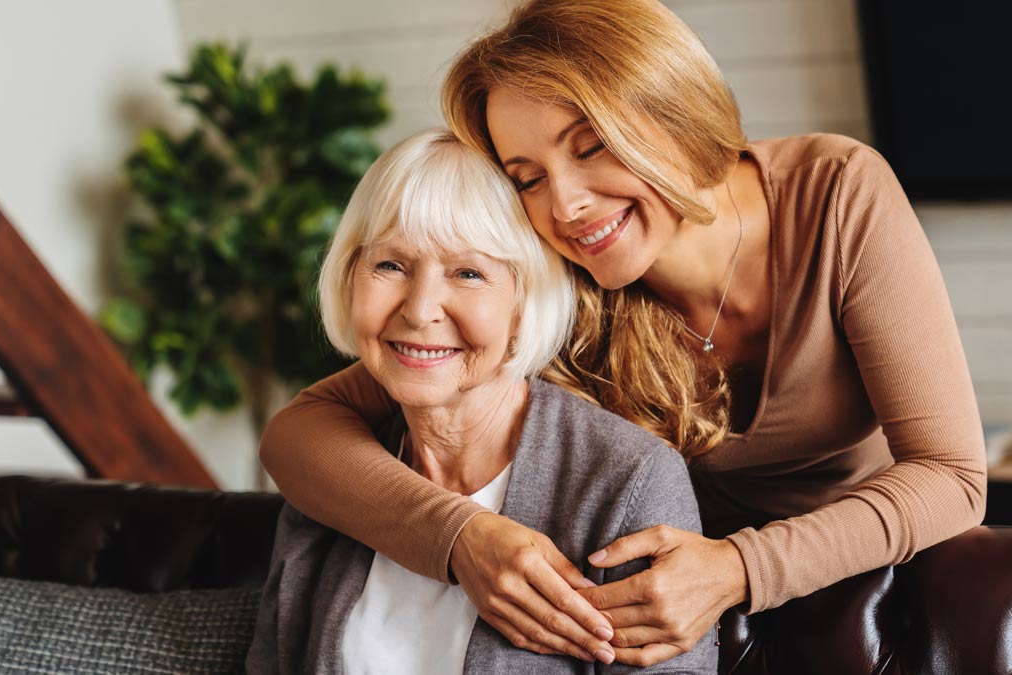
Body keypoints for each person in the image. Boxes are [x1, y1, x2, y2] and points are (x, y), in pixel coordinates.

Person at [259, 0, 987, 667]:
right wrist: (460, 537)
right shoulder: (563, 275)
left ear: (670, 108)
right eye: (527, 177)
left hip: (868, 585)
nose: (566, 205)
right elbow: (301, 434)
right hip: (667, 612)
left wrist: (737, 568)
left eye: (590, 145)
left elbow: (952, 476)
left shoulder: (836, 193)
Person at [246, 128, 717, 673]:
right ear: (350, 277)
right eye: (390, 266)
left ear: (525, 300)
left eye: (468, 273)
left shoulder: (627, 481)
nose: (420, 310)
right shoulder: (334, 477)